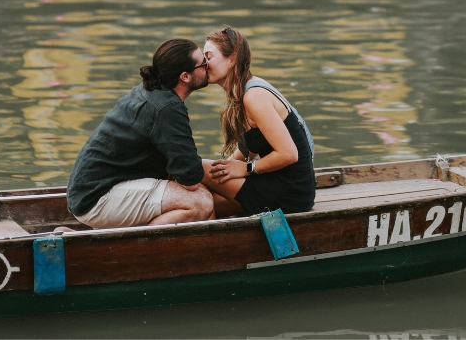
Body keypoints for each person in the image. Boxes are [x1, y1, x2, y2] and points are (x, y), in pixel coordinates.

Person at [66, 39, 216, 229]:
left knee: (197, 191)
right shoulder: (168, 108)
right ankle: (126, 247)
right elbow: (191, 179)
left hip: (88, 190)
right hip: (97, 199)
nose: (208, 65)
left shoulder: (149, 90)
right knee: (200, 201)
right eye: (203, 62)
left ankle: (97, 235)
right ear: (185, 76)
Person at [201, 26, 316, 218]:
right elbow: (252, 146)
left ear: (232, 59)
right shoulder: (242, 91)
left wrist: (246, 169)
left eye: (209, 57)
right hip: (278, 185)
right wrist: (227, 167)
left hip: (290, 191)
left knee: (197, 168)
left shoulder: (254, 95)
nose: (203, 64)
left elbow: (289, 154)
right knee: (205, 203)